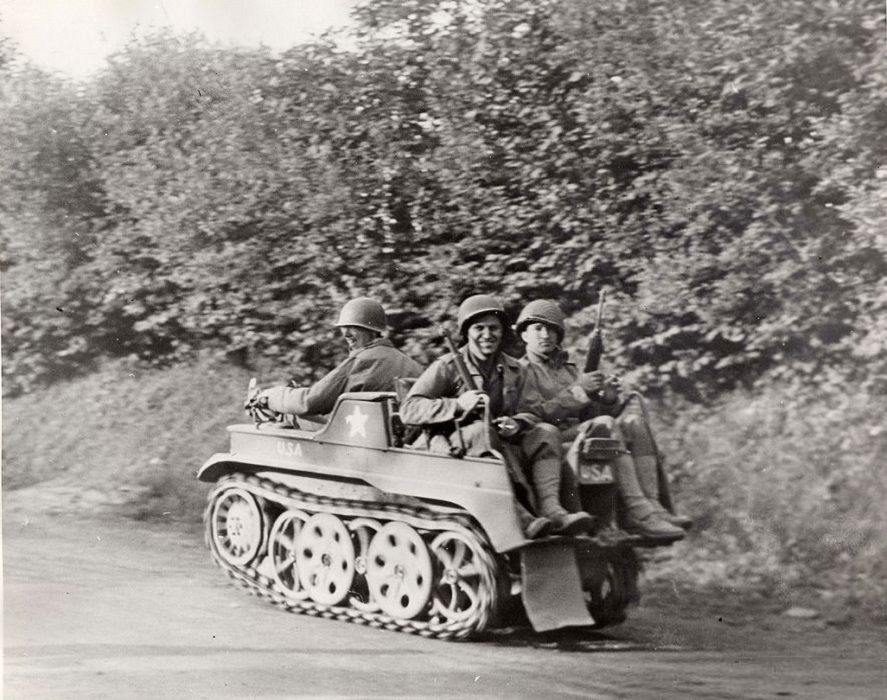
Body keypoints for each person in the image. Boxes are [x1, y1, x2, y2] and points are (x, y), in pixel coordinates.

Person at [399, 294, 594, 538]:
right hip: (453, 446)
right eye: (479, 328)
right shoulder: (448, 365)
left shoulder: (515, 368)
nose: (487, 335)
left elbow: (533, 410)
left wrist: (517, 423)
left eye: (494, 328)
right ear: (467, 332)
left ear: (502, 332)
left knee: (547, 432)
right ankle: (520, 516)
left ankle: (552, 510)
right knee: (482, 432)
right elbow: (410, 409)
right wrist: (457, 405)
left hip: (500, 441)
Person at [515, 299, 690, 542]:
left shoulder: (568, 370)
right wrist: (579, 392)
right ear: (524, 334)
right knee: (606, 424)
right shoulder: (520, 371)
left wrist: (606, 398)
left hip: (580, 433)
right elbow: (536, 415)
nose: (546, 335)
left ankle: (653, 505)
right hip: (547, 442)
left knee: (633, 423)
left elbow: (589, 414)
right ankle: (637, 511)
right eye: (537, 328)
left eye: (552, 329)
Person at [257, 297, 423, 424]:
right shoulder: (414, 366)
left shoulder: (362, 360)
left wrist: (270, 396)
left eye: (353, 327)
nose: (346, 334)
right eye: (344, 328)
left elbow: (310, 402)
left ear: (372, 330)